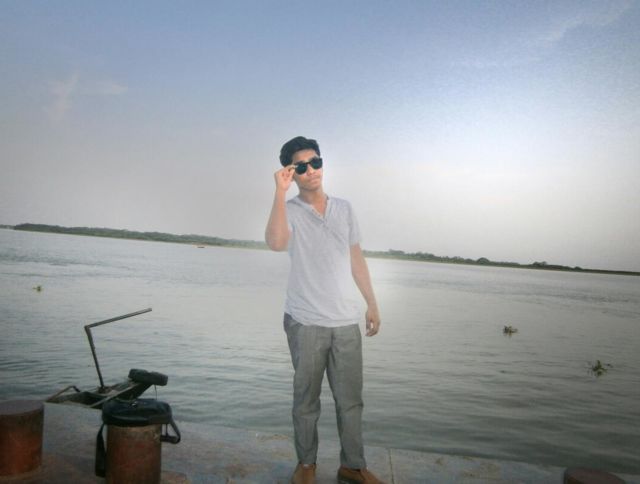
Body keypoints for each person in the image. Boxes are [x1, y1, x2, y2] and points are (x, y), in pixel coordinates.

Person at [265, 136, 384, 484]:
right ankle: (306, 465)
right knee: (306, 400)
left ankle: (353, 465)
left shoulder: (344, 209)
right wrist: (279, 193)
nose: (311, 170)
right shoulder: (288, 210)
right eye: (301, 166)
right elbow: (276, 243)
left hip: (346, 322)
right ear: (291, 172)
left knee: (350, 401)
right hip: (305, 321)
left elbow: (356, 259)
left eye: (315, 162)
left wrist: (372, 303)